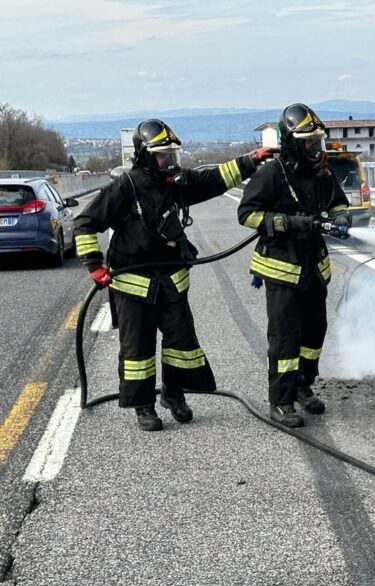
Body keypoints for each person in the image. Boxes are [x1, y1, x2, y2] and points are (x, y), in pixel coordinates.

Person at [74, 119, 273, 431]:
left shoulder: (178, 183)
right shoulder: (125, 187)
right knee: (137, 350)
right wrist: (94, 265)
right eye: (162, 155)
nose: (169, 160)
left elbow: (216, 178)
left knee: (182, 344)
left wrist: (252, 159)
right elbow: (85, 222)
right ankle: (144, 406)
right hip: (133, 286)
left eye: (172, 154)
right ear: (144, 156)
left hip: (171, 282)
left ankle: (173, 394)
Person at [237, 104, 351, 428]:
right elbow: (247, 214)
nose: (316, 147)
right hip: (281, 268)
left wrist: (341, 218)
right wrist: (288, 222)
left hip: (313, 267)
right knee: (286, 338)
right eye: (309, 142)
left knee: (315, 333)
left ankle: (303, 385)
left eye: (318, 140)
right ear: (292, 142)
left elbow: (339, 203)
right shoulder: (272, 173)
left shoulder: (322, 172)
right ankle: (281, 401)